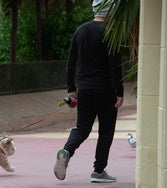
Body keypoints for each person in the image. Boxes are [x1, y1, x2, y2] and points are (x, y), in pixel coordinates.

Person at [53, 0, 124, 183]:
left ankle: (67, 151)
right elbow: (115, 66)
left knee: (82, 128)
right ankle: (98, 171)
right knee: (106, 131)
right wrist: (120, 91)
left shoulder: (80, 30)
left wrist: (71, 89)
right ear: (112, 11)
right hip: (105, 90)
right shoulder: (111, 32)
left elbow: (71, 63)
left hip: (84, 89)